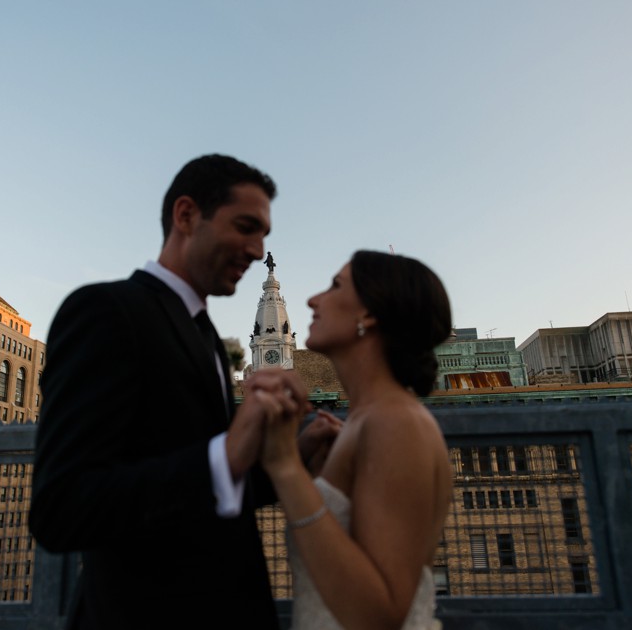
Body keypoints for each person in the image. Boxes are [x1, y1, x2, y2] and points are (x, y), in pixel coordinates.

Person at [28, 154, 314, 629]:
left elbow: (201, 482)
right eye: (245, 226)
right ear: (186, 216)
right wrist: (224, 456)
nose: (256, 247)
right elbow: (61, 509)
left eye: (263, 235)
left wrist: (289, 458)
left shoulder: (202, 334)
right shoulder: (105, 312)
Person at [255, 249, 454, 630]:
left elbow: (379, 615)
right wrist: (316, 471)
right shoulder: (366, 422)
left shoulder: (396, 424)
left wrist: (284, 466)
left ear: (369, 315)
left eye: (335, 286)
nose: (314, 299)